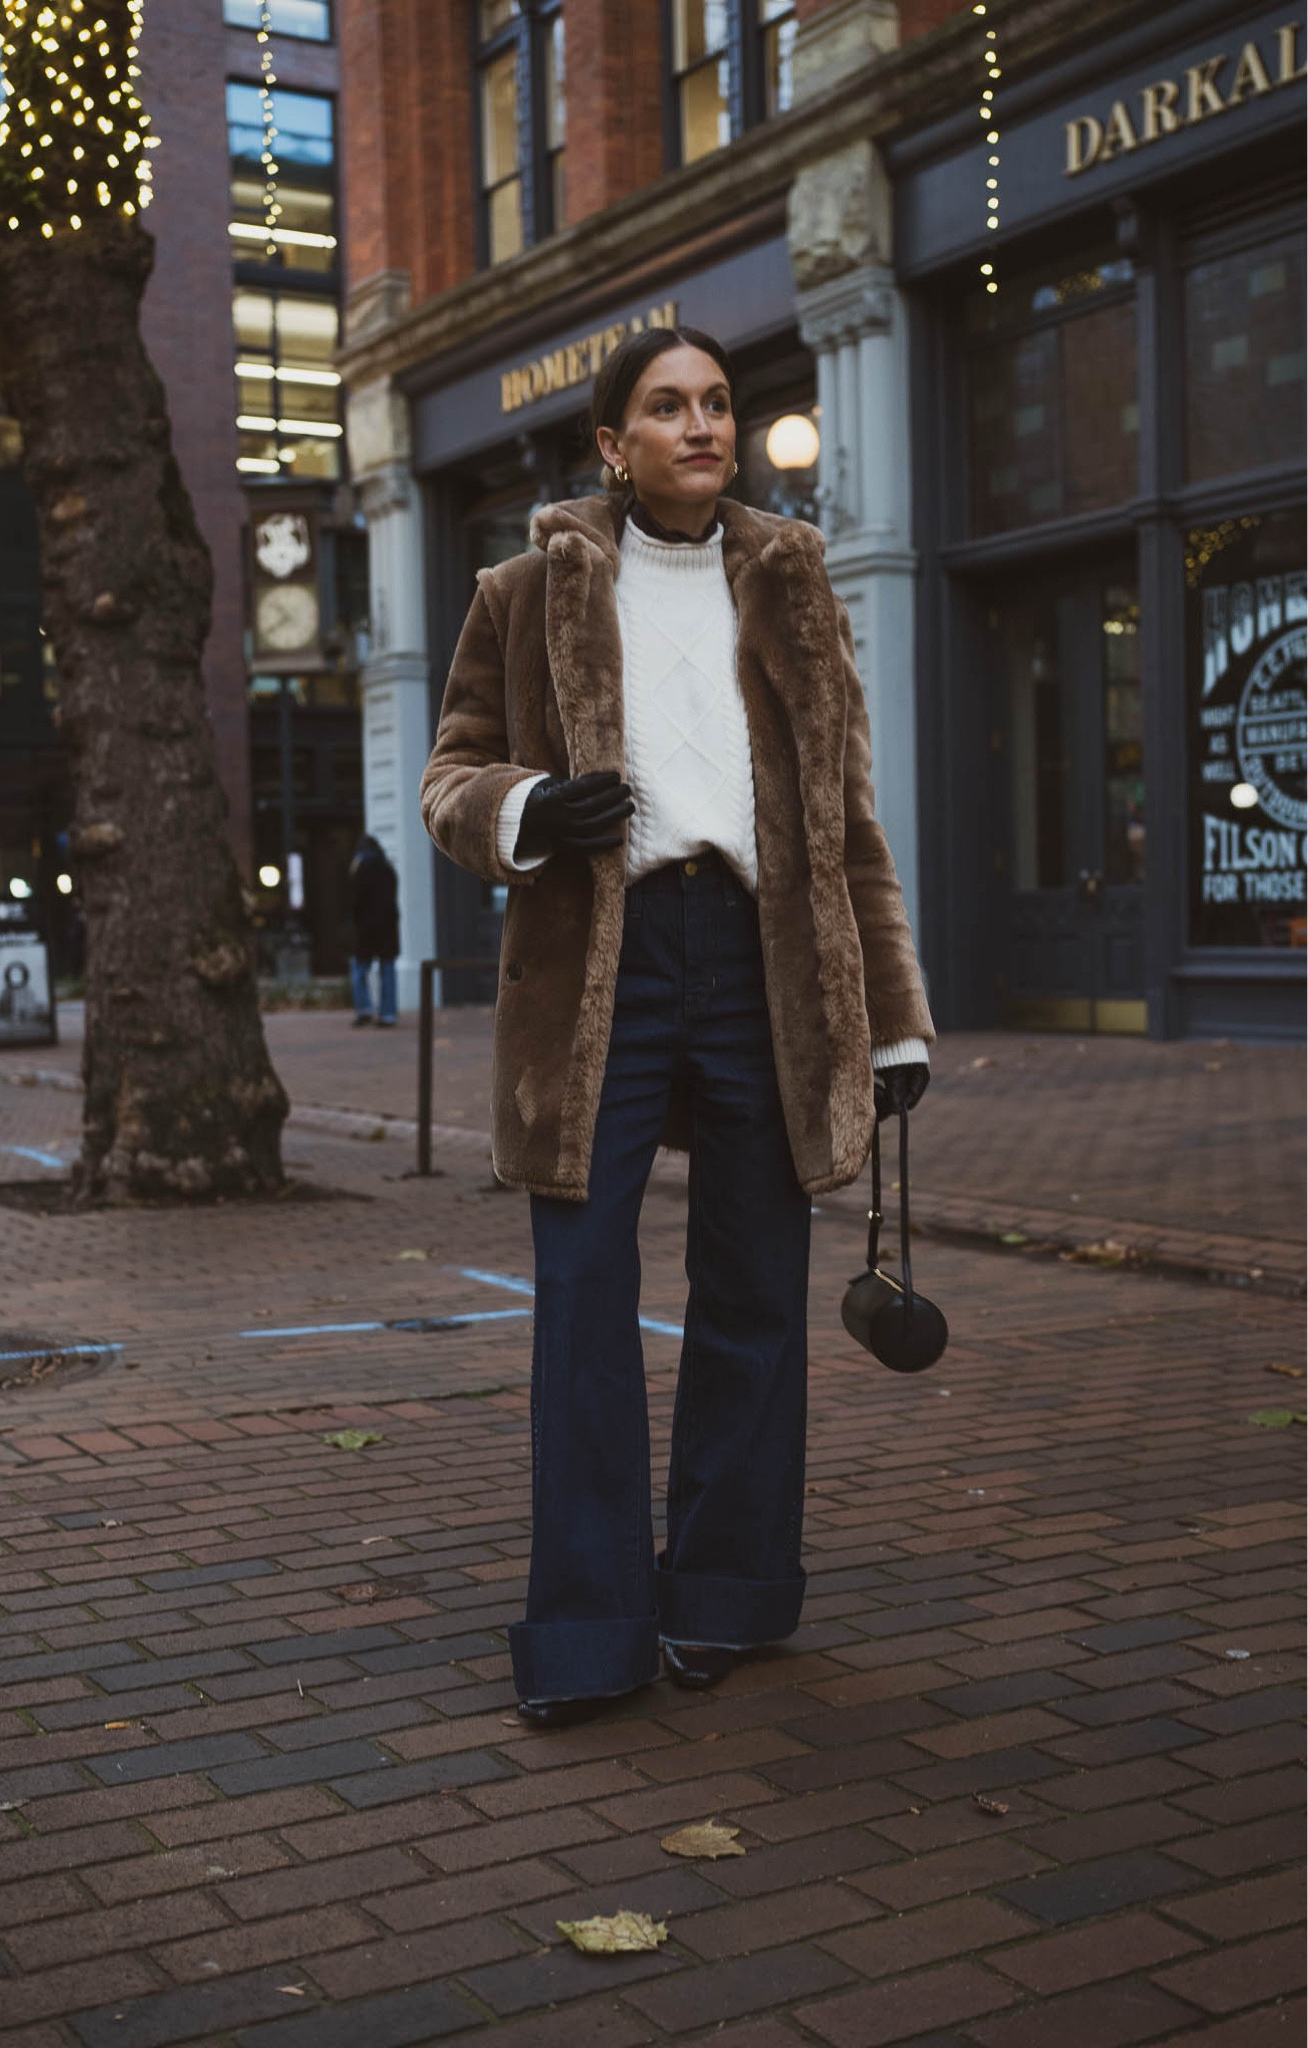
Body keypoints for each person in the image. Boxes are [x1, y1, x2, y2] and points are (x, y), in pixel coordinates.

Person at [420, 326, 933, 1728]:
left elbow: (847, 826)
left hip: (768, 956)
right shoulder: (521, 592)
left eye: (715, 403)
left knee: (756, 1290)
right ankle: (586, 1630)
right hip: (605, 956)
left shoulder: (793, 580)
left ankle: (728, 1595)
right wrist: (524, 809)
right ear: (610, 443)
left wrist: (890, 1019)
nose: (699, 426)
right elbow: (449, 773)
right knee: (582, 1300)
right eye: (665, 407)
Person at [349, 834, 399, 1028]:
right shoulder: (388, 870)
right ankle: (388, 1014)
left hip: (366, 927)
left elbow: (356, 902)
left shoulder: (359, 870)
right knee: (387, 970)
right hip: (387, 926)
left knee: (359, 968)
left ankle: (364, 1009)